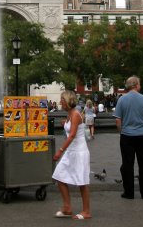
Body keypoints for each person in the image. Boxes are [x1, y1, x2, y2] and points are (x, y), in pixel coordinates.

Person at [113, 76, 143, 199]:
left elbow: (117, 120)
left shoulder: (122, 100)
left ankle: (129, 192)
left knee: (127, 164)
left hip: (127, 136)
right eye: (140, 84)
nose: (140, 86)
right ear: (136, 84)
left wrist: (122, 132)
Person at [52, 90, 91, 220]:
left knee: (82, 181)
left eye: (62, 100)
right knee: (59, 175)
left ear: (68, 101)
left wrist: (60, 150)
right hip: (71, 151)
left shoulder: (74, 114)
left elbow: (73, 135)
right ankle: (67, 208)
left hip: (79, 152)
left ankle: (86, 211)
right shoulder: (70, 114)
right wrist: (66, 124)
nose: (60, 102)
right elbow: (71, 131)